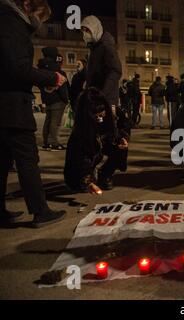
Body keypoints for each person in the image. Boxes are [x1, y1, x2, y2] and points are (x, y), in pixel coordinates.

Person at [0, 0, 66, 227]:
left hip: (7, 101)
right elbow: (16, 67)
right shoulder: (11, 24)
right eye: (39, 17)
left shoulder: (6, 20)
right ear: (27, 5)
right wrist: (51, 78)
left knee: (3, 158)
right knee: (28, 159)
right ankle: (40, 211)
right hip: (12, 104)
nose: (39, 24)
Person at [64, 87, 131, 193]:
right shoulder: (79, 134)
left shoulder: (111, 113)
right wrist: (87, 181)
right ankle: (86, 180)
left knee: (119, 148)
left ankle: (105, 175)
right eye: (96, 115)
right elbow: (80, 159)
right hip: (81, 166)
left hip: (101, 145)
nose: (100, 117)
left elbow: (123, 127)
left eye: (102, 113)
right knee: (79, 185)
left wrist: (123, 139)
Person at [81, 15, 122, 110]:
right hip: (96, 96)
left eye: (87, 30)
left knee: (104, 124)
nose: (84, 34)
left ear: (95, 29)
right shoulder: (94, 46)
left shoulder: (106, 46)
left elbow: (116, 70)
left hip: (106, 99)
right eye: (83, 30)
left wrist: (103, 92)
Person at [37, 46, 69, 151]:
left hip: (47, 99)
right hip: (58, 100)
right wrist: (65, 99)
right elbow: (63, 87)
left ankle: (46, 142)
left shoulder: (41, 68)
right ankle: (53, 143)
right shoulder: (56, 69)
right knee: (55, 122)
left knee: (48, 121)